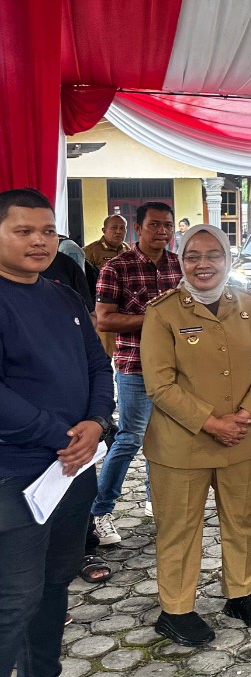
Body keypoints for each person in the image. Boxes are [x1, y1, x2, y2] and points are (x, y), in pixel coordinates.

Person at [140, 224, 251, 646]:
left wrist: (245, 415)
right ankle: (176, 609)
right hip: (181, 445)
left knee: (241, 520)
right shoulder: (163, 312)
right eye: (192, 256)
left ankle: (240, 592)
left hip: (241, 439)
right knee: (179, 527)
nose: (203, 264)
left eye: (213, 254)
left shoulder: (250, 306)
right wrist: (212, 423)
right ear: (181, 261)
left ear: (228, 258)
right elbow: (159, 385)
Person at [0, 188, 114, 677]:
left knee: (54, 585)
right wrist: (59, 435)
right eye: (22, 231)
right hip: (16, 476)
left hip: (71, 474)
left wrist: (97, 422)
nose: (39, 241)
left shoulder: (64, 294)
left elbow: (97, 365)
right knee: (14, 601)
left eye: (47, 230)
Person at [92, 202, 182, 542]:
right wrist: (155, 320)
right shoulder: (116, 268)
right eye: (155, 225)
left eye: (168, 226)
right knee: (129, 439)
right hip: (135, 367)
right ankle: (99, 513)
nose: (162, 231)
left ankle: (154, 501)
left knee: (165, 439)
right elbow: (104, 318)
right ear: (138, 228)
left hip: (175, 369)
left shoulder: (178, 266)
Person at [83, 214, 129, 357]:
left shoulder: (128, 251)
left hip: (125, 312)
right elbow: (84, 283)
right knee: (104, 355)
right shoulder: (90, 252)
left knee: (125, 355)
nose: (118, 232)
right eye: (114, 228)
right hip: (103, 312)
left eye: (122, 228)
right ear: (104, 230)